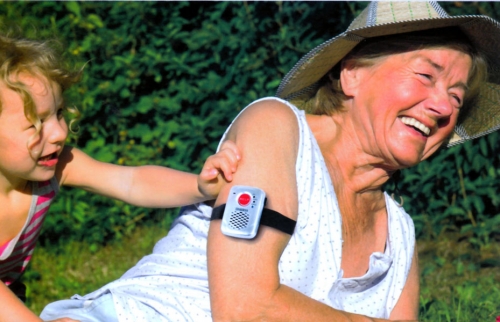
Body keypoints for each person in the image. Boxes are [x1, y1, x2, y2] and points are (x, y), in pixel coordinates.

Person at [41, 1, 500, 322]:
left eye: (457, 98)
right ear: (353, 72)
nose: (442, 107)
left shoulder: (399, 237)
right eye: (425, 75)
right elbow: (244, 309)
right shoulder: (277, 130)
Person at [0, 32, 242, 322]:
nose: (60, 133)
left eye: (59, 114)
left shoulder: (54, 169)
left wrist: (199, 186)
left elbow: (131, 182)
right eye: (37, 123)